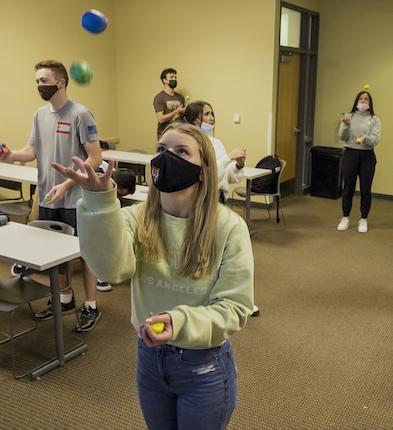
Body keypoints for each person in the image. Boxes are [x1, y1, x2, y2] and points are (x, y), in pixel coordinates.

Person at [51, 121, 254, 429]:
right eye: (161, 149)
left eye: (181, 151)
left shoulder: (228, 227)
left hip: (204, 364)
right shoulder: (134, 218)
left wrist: (180, 323)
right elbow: (110, 269)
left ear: (203, 170)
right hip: (149, 358)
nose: (166, 157)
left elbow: (234, 309)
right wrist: (99, 202)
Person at [0, 60, 104, 332]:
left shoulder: (81, 114)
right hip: (46, 196)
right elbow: (31, 150)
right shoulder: (39, 115)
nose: (39, 86)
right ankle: (65, 299)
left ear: (61, 82)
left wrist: (67, 184)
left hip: (76, 197)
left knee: (84, 252)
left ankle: (91, 305)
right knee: (58, 252)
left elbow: (95, 156)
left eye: (43, 81)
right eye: (37, 82)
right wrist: (11, 156)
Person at [178, 101, 246, 204]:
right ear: (194, 120)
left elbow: (225, 175)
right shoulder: (190, 145)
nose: (212, 118)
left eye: (212, 113)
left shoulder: (216, 143)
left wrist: (238, 165)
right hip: (201, 200)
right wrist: (228, 157)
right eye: (206, 114)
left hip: (219, 198)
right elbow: (206, 176)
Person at [337, 91, 382, 233]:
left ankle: (363, 219)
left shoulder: (374, 119)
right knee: (348, 187)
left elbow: (375, 139)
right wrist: (345, 125)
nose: (363, 101)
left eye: (366, 99)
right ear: (356, 101)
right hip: (350, 154)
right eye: (361, 99)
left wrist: (365, 139)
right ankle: (345, 217)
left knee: (365, 189)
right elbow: (342, 137)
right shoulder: (348, 117)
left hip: (367, 156)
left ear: (370, 102)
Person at [153, 68, 185, 139]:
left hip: (179, 133)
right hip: (165, 133)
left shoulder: (180, 97)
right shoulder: (159, 98)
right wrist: (176, 111)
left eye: (175, 77)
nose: (174, 79)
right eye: (171, 77)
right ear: (165, 80)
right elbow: (160, 119)